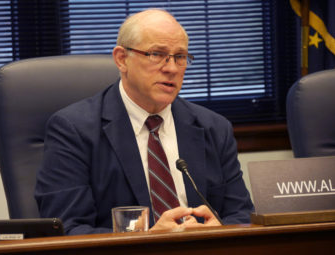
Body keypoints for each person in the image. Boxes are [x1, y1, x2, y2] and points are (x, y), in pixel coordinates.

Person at [35, 9, 254, 235]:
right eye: (156, 54)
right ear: (122, 59)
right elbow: (68, 229)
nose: (171, 68)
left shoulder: (214, 128)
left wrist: (220, 230)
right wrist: (149, 238)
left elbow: (242, 214)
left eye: (180, 57)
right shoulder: (73, 130)